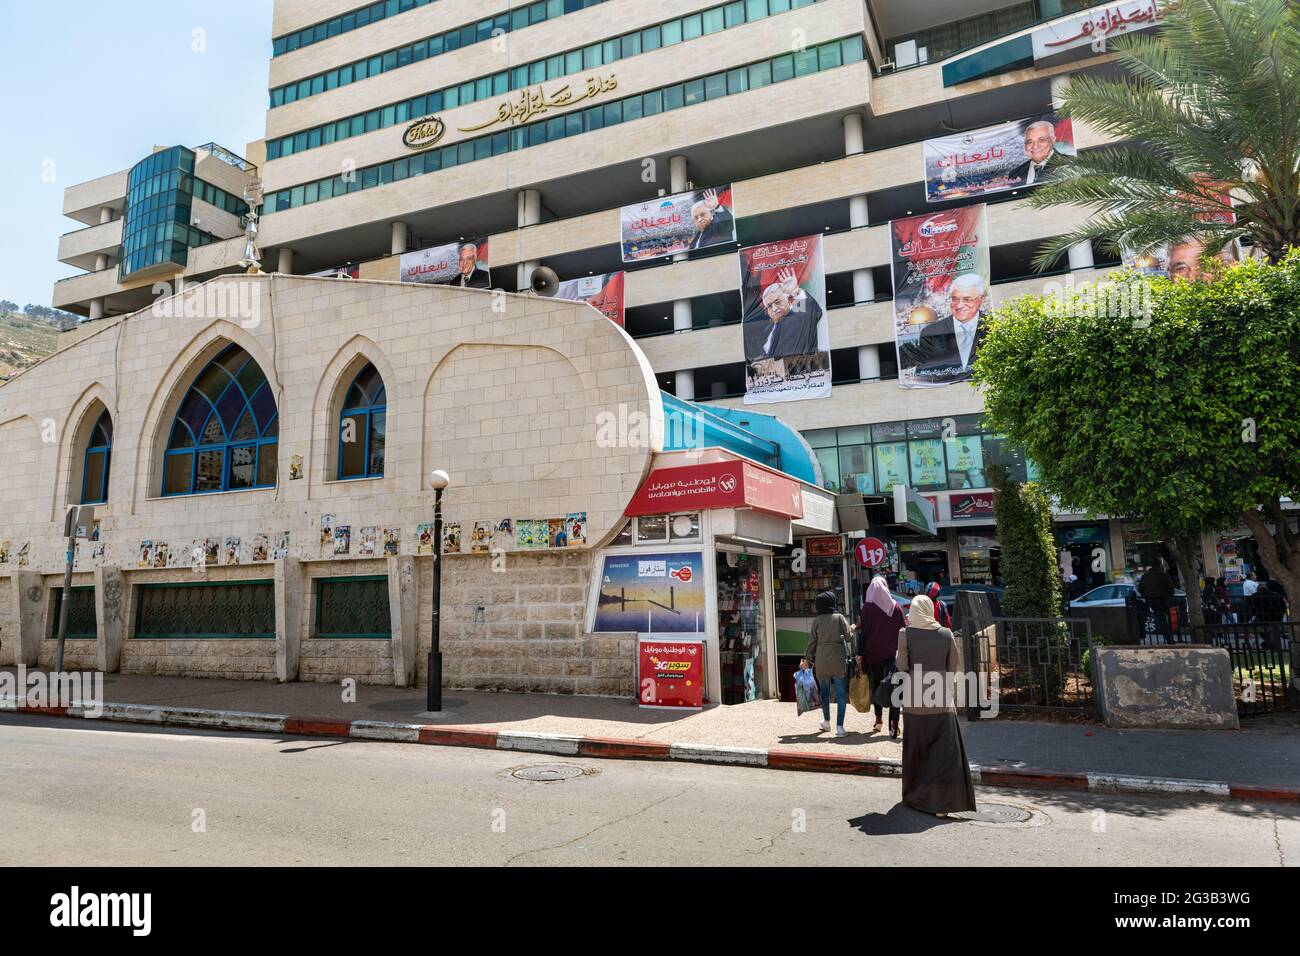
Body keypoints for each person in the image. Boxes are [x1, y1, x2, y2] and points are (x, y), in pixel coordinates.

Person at [896, 594, 977, 816]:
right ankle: (943, 805)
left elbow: (901, 665)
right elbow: (952, 666)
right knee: (943, 755)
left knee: (917, 752)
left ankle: (916, 797)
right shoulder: (945, 633)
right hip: (941, 701)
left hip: (914, 703)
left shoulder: (906, 634)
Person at [856, 576, 906, 738]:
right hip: (893, 655)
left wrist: (860, 653)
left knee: (877, 686)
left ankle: (878, 721)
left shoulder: (867, 609)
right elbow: (903, 632)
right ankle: (894, 725)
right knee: (895, 689)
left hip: (873, 656)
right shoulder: (896, 608)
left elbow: (863, 635)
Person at [800, 590, 855, 737]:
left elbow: (811, 644)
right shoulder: (839, 618)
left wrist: (807, 660)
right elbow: (849, 638)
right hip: (837, 659)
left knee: (824, 692)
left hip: (822, 660)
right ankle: (840, 727)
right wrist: (853, 629)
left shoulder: (817, 621)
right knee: (841, 693)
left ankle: (826, 721)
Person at [916, 273, 989, 382]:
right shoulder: (930, 333)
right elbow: (923, 374)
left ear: (981, 299)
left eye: (967, 299)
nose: (959, 305)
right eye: (955, 299)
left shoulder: (992, 327)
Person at [748, 267, 823, 361]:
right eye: (769, 306)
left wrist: (795, 291)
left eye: (778, 301)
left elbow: (813, 312)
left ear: (789, 299)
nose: (774, 308)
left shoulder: (797, 318)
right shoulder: (769, 330)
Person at [1011, 120, 1061, 186]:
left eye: (1041, 140)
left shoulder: (1069, 163)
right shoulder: (1015, 174)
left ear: (1053, 140)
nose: (1035, 146)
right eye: (1030, 142)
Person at [1138, 559, 1177, 640]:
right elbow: (1171, 589)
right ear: (1160, 565)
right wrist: (1168, 595)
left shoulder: (1145, 576)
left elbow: (1140, 589)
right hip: (1162, 599)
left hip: (1150, 600)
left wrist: (1146, 595)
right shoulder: (1163, 575)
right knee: (1163, 619)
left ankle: (1169, 639)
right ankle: (1171, 638)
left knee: (1159, 618)